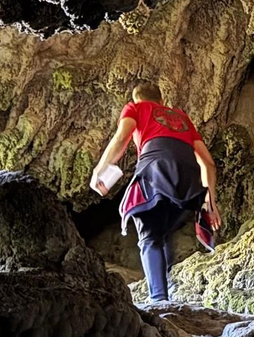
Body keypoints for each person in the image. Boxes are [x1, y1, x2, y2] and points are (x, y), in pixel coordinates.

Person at [89, 81, 220, 302]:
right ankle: (162, 290)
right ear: (161, 102)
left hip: (156, 166)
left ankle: (159, 300)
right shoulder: (180, 117)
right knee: (159, 230)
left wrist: (99, 171)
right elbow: (208, 163)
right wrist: (210, 202)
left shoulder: (135, 108)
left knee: (149, 236)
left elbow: (121, 138)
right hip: (189, 178)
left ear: (135, 100)